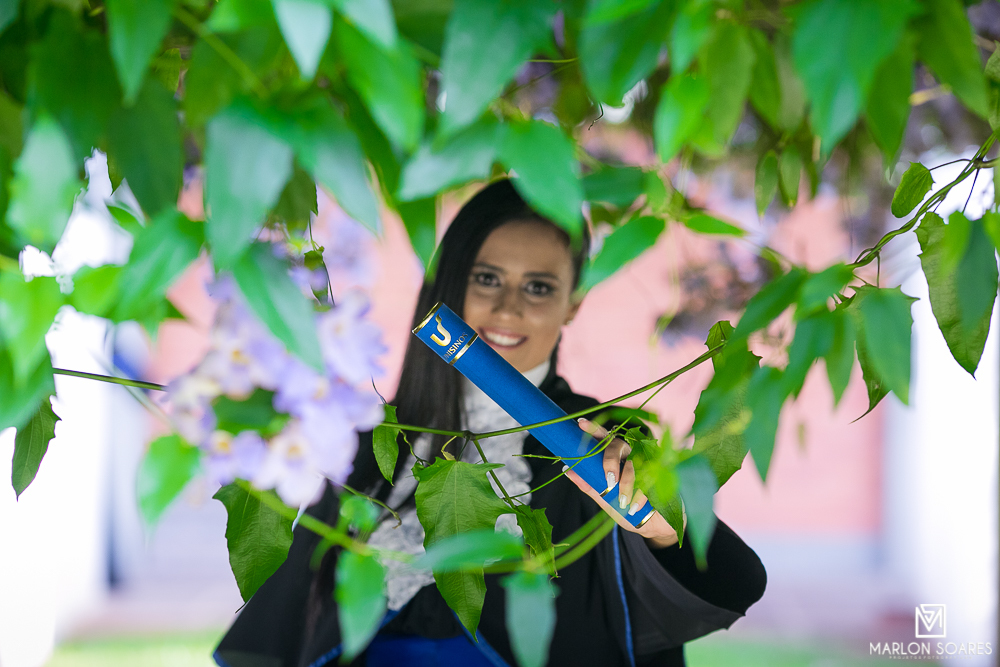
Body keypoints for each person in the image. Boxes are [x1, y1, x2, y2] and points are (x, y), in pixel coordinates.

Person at [214, 179, 767, 667]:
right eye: (486, 279)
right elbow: (286, 631)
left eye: (539, 287)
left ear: (573, 302)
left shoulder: (604, 441)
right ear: (449, 285)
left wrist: (661, 530)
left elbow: (723, 586)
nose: (507, 308)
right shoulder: (368, 439)